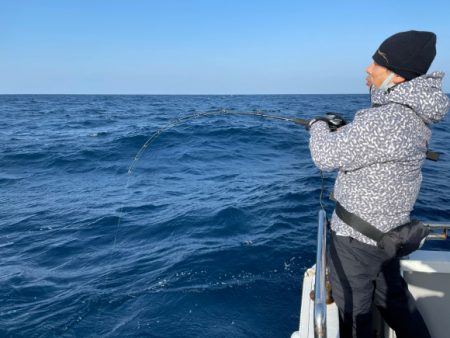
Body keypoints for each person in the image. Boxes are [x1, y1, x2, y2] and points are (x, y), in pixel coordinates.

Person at [307, 30, 449, 337]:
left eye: (377, 63)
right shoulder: (410, 116)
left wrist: (317, 126)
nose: (368, 69)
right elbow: (378, 148)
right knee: (393, 303)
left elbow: (324, 155)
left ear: (397, 77)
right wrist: (350, 132)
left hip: (356, 242)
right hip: (387, 236)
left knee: (356, 318)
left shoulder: (384, 121)